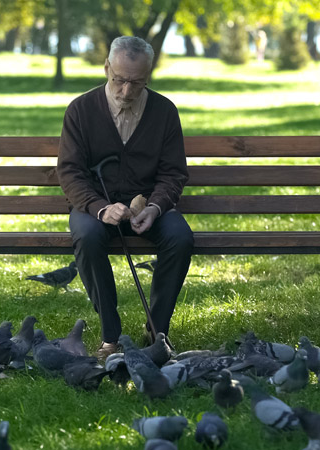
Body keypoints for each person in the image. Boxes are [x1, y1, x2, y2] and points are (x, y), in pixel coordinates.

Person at [57, 36, 193, 359]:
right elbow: (70, 172)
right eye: (119, 80)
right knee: (87, 236)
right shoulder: (80, 110)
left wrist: (157, 207)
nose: (127, 92)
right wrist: (100, 209)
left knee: (180, 237)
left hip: (148, 208)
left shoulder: (164, 112)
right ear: (106, 68)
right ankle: (110, 335)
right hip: (94, 207)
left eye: (137, 83)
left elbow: (174, 173)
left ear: (148, 76)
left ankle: (157, 330)